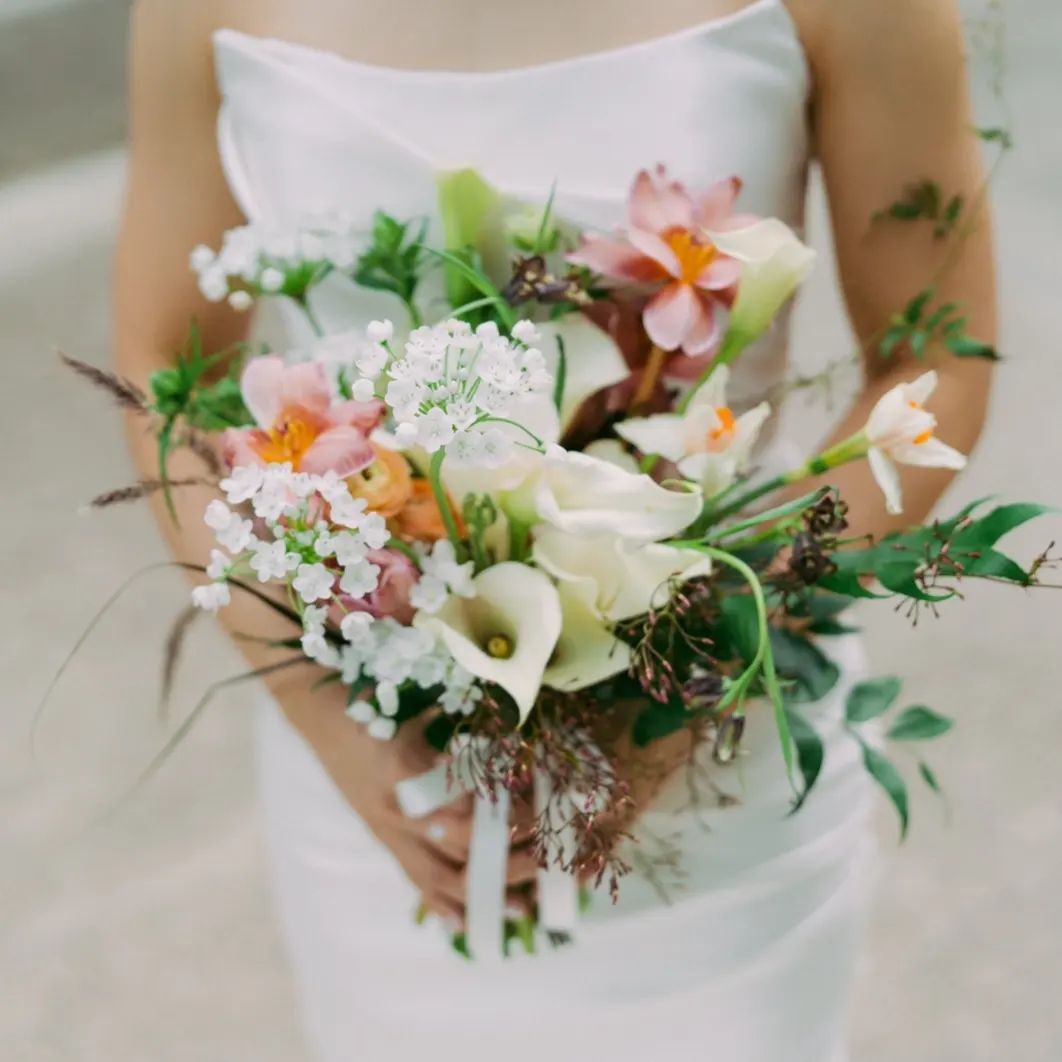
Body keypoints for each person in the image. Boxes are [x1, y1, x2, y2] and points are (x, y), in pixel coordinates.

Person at [114, 1, 994, 1058]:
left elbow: (936, 355)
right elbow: (162, 365)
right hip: (385, 770)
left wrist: (695, 675)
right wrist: (336, 729)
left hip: (716, 760)